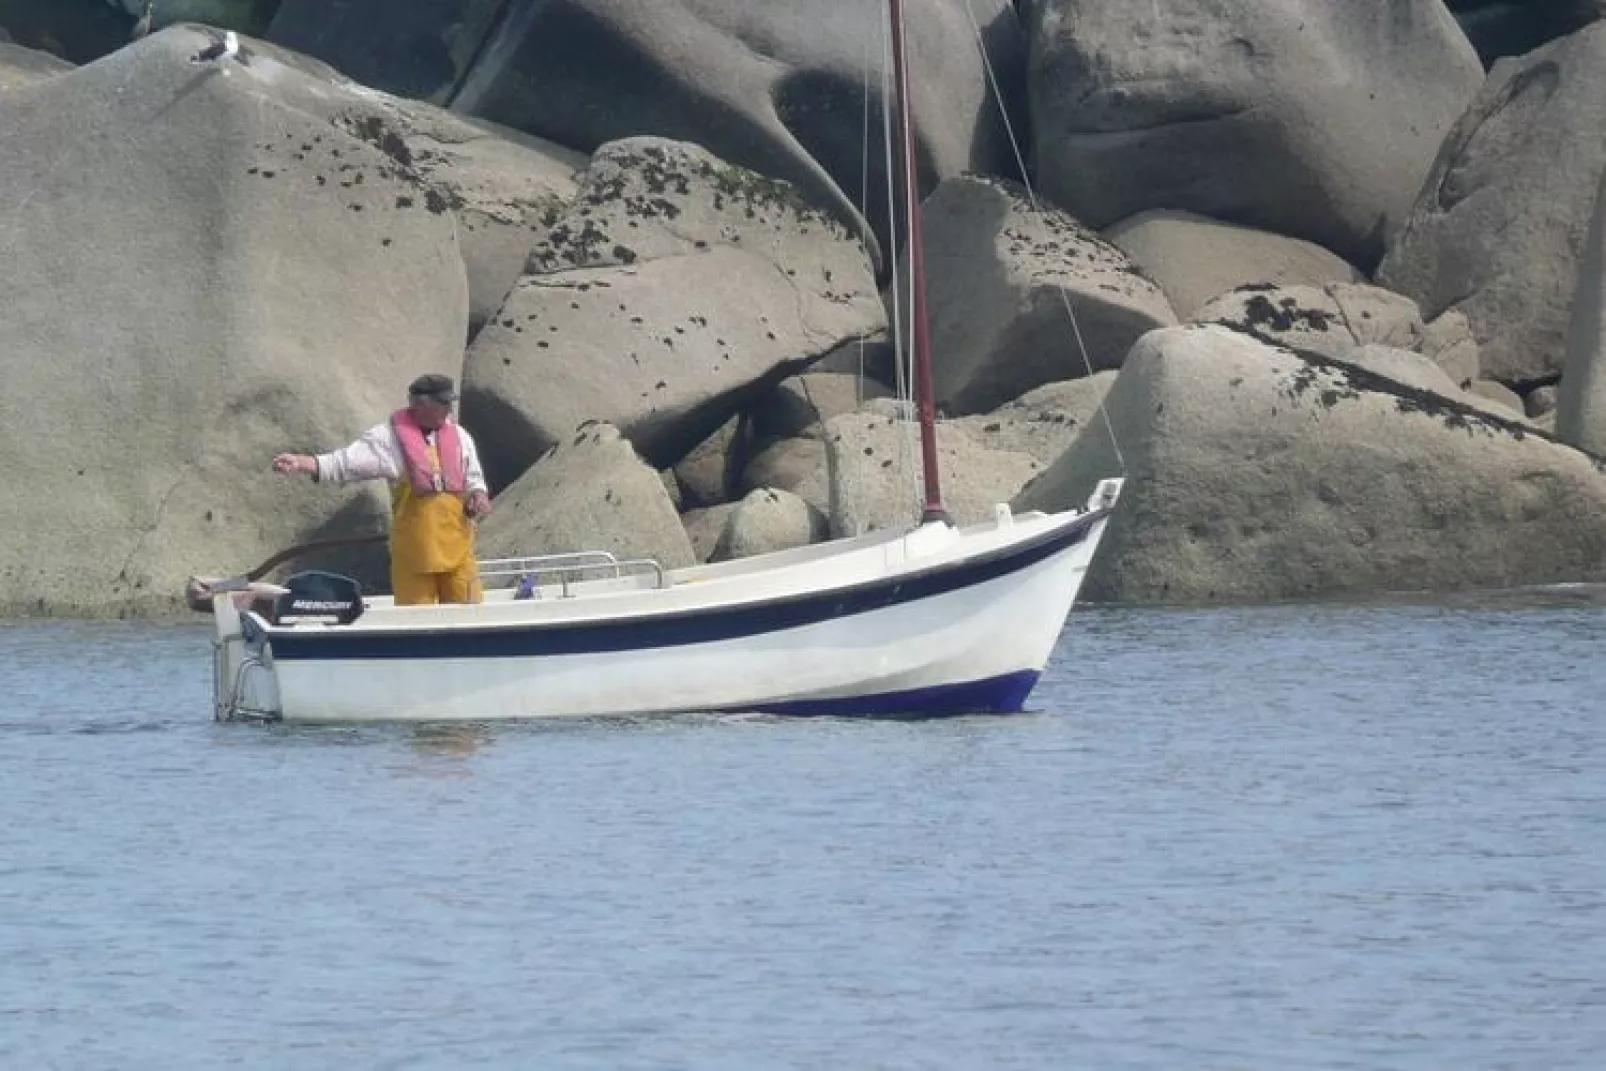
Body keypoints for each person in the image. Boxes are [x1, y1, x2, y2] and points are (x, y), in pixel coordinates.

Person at [272, 374, 493, 606]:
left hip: (458, 550)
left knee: (470, 610)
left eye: (450, 402)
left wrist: (478, 495)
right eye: (443, 402)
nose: (449, 408)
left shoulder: (460, 436)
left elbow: (474, 478)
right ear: (420, 404)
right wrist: (304, 463)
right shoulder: (387, 438)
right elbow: (347, 463)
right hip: (415, 556)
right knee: (416, 623)